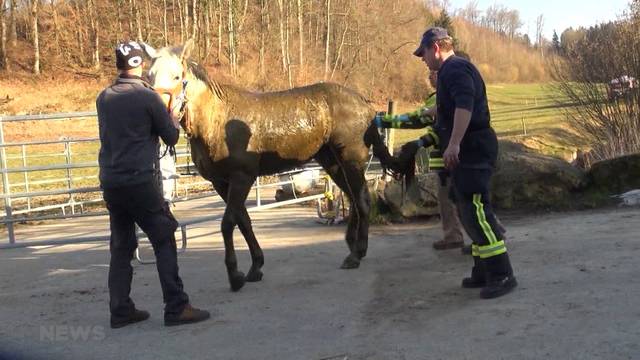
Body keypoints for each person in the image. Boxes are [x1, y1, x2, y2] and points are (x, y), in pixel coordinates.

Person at [97, 41, 210, 328]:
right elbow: (171, 137)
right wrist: (171, 118)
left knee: (122, 245)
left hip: (111, 180)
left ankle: (120, 310)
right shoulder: (148, 98)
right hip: (140, 180)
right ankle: (176, 306)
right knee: (164, 236)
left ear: (119, 65)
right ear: (139, 65)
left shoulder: (104, 97)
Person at [412, 27, 517, 298]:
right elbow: (451, 105)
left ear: (435, 47)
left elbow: (465, 105)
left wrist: (455, 142)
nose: (422, 59)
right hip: (469, 150)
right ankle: (483, 270)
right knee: (468, 213)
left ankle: (502, 273)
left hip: (472, 149)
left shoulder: (455, 69)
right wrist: (432, 112)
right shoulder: (451, 72)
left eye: (423, 53)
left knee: (477, 211)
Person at [372, 70, 466, 252]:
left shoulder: (439, 99)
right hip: (453, 157)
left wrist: (382, 121)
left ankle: (456, 236)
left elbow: (415, 119)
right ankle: (481, 234)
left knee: (451, 199)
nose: (430, 76)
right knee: (462, 198)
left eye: (434, 73)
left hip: (448, 159)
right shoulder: (449, 97)